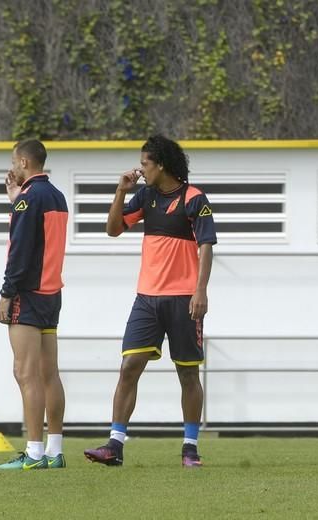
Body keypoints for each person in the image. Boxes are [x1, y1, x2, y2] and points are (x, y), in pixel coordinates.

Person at [84, 134, 216, 468]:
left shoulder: (194, 198)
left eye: (145, 163)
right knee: (129, 367)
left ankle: (190, 449)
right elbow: (113, 229)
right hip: (147, 299)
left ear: (162, 164)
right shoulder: (144, 195)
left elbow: (205, 247)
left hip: (184, 299)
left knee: (188, 374)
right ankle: (114, 445)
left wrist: (200, 291)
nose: (140, 169)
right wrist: (120, 192)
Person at [0, 139, 68, 470]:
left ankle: (34, 453)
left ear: (24, 162)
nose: (12, 166)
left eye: (14, 161)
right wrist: (15, 201)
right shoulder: (56, 196)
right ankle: (54, 451)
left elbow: (21, 251)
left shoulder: (29, 198)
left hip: (28, 294)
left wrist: (6, 293)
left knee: (25, 373)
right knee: (48, 373)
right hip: (52, 294)